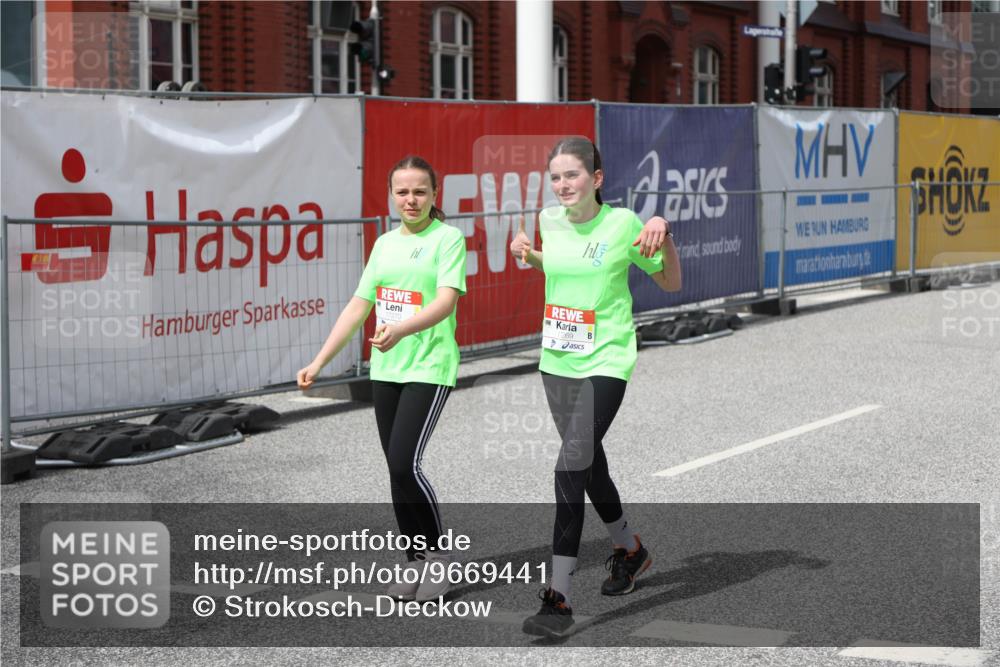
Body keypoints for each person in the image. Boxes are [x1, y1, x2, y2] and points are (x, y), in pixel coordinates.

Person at [509, 136, 681, 638]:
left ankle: (558, 600)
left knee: (569, 466)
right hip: (557, 360)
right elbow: (565, 268)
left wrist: (664, 232)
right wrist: (531, 256)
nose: (563, 185)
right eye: (556, 177)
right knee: (590, 466)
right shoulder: (547, 219)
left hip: (606, 358)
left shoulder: (625, 224)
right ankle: (630, 551)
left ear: (597, 179)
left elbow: (670, 282)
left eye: (573, 175)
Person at [297, 155, 466, 602]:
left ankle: (438, 561)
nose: (411, 199)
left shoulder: (448, 239)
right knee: (395, 472)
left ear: (435, 195)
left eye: (420, 191)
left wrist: (401, 329)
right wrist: (320, 361)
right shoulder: (385, 244)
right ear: (392, 195)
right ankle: (413, 562)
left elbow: (445, 302)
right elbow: (359, 305)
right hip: (387, 368)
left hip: (429, 367)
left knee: (403, 463)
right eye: (402, 191)